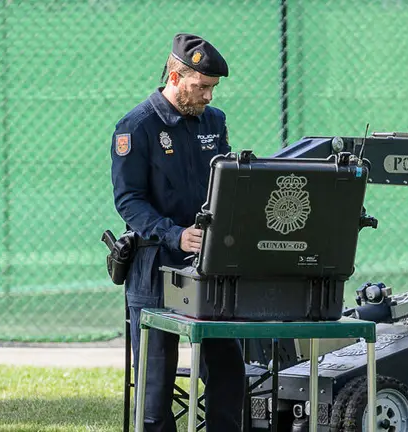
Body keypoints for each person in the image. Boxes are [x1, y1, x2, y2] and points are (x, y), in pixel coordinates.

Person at [110, 33, 245, 432]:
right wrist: (174, 234)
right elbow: (129, 201)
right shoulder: (136, 126)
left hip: (207, 266)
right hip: (154, 265)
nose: (207, 96)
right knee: (155, 385)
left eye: (212, 88)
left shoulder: (214, 122)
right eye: (201, 86)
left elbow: (226, 186)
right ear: (175, 75)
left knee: (228, 368)